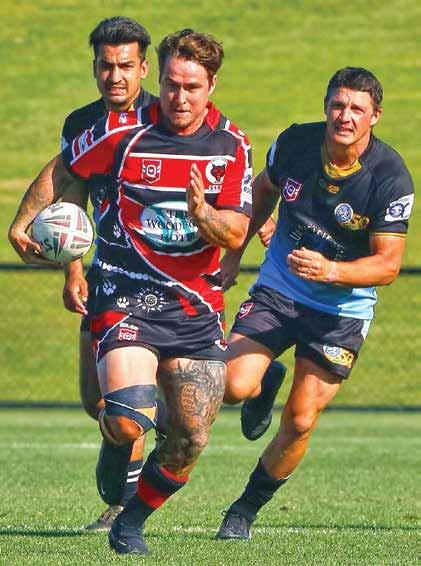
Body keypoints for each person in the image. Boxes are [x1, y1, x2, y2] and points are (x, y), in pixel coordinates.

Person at [9, 29, 252, 555]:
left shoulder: (232, 147)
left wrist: (204, 215)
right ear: (158, 78)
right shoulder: (119, 131)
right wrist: (22, 223)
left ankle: (131, 519)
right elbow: (64, 170)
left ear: (212, 85)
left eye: (192, 87)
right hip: (125, 294)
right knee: (122, 416)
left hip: (194, 305)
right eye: (172, 84)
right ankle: (119, 444)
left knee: (189, 439)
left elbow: (236, 232)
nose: (179, 97)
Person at [216, 67, 414, 540]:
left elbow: (387, 265)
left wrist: (331, 271)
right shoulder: (295, 144)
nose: (345, 116)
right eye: (338, 105)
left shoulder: (390, 177)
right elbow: (262, 192)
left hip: (341, 313)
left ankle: (243, 511)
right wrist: (234, 254)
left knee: (301, 419)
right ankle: (264, 382)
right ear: (326, 107)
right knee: (231, 387)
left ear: (375, 116)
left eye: (357, 109)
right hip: (280, 290)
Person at [60, 17, 158, 531]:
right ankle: (133, 424)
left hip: (161, 277)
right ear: (94, 66)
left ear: (144, 68)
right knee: (94, 400)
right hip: (105, 273)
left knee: (128, 399)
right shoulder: (80, 123)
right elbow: (71, 198)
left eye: (125, 65)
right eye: (106, 65)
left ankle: (124, 504)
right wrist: (73, 269)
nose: (115, 76)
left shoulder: (165, 118)